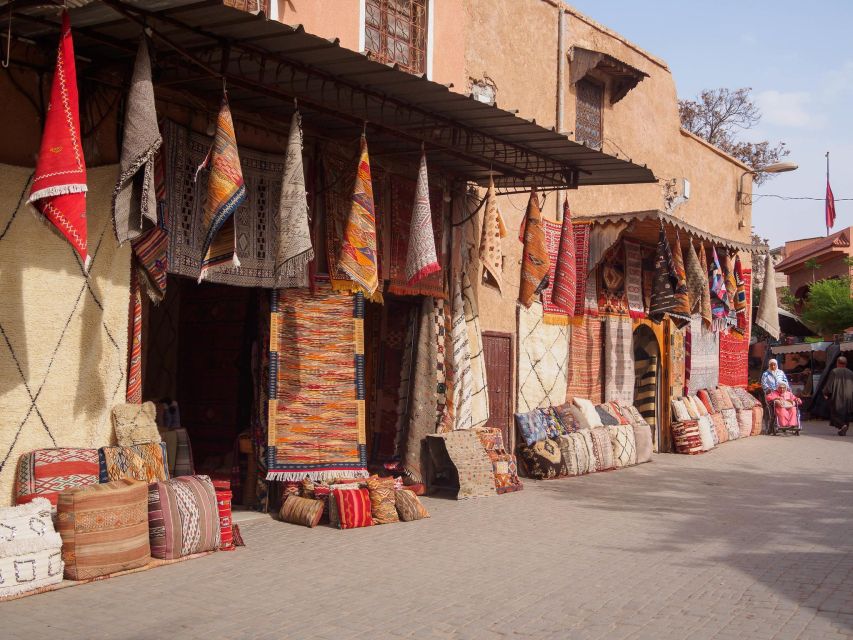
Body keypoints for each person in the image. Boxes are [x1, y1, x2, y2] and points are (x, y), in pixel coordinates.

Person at [823, 356, 853, 436]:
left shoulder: (834, 371)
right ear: (846, 364)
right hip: (849, 396)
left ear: (837, 363)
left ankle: (842, 426)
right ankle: (843, 430)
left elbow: (829, 384)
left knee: (835, 413)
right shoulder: (850, 372)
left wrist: (826, 393)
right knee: (846, 413)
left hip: (837, 396)